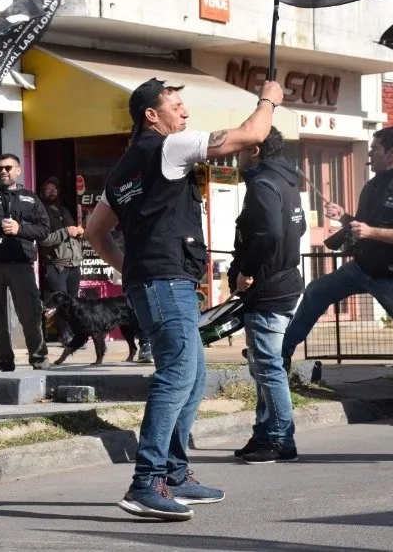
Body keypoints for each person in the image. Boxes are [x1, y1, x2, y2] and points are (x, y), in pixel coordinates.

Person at [85, 76, 285, 520]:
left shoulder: (123, 168)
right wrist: (270, 98)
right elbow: (252, 134)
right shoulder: (169, 147)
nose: (186, 113)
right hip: (166, 283)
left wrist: (131, 268)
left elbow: (97, 232)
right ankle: (146, 482)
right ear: (151, 116)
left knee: (192, 376)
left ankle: (174, 474)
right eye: (176, 105)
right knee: (177, 374)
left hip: (155, 281)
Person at [282, 126, 393, 427]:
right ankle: (281, 356)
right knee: (316, 290)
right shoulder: (374, 185)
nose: (369, 155)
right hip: (362, 269)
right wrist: (344, 217)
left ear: (392, 151)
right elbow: (362, 226)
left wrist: (371, 232)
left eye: (374, 149)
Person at [228, 127, 306, 464]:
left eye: (242, 147)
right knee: (262, 364)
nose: (236, 153)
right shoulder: (287, 180)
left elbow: (269, 233)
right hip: (284, 284)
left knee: (268, 367)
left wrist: (246, 270)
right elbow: (296, 228)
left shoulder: (262, 183)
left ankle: (280, 439)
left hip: (269, 289)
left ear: (256, 149)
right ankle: (264, 434)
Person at [0, 154, 51, 371]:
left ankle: (38, 358)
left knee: (30, 313)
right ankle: (4, 362)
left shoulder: (31, 198)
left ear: (18, 170)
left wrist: (21, 229)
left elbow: (45, 230)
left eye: (9, 168)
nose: (3, 171)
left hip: (21, 264)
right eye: (0, 168)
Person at [37, 177, 84, 347]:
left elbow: (72, 234)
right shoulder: (42, 213)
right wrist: (66, 232)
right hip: (56, 265)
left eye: (54, 189)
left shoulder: (64, 210)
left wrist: (78, 232)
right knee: (62, 303)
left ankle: (75, 333)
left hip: (74, 264)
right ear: (42, 194)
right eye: (48, 189)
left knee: (74, 302)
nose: (52, 192)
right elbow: (43, 240)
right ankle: (65, 335)